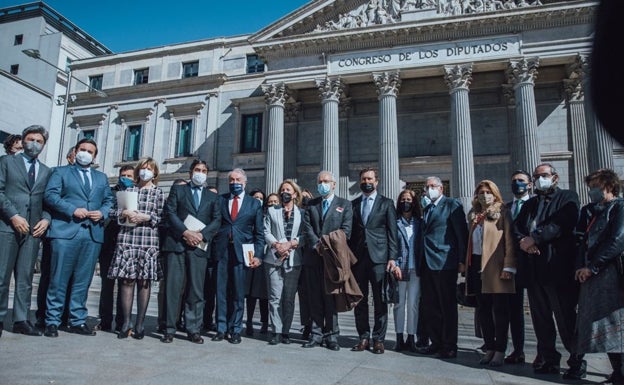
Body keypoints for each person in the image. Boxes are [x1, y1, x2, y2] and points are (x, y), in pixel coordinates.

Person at [514, 163, 585, 379]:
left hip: (557, 270)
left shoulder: (568, 198)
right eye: (536, 176)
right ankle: (549, 359)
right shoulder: (531, 204)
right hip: (534, 271)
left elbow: (561, 224)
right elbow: (517, 228)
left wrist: (534, 238)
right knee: (541, 319)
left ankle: (576, 360)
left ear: (554, 177)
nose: (540, 179)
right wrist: (524, 242)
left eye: (544, 175)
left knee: (565, 318)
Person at [43, 138, 114, 337]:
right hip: (65, 232)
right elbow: (50, 196)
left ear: (94, 156)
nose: (85, 153)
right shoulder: (60, 172)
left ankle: (77, 320)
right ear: (75, 151)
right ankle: (52, 320)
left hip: (92, 234)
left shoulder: (101, 177)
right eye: (82, 149)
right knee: (58, 279)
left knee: (83, 280)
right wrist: (72, 209)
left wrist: (103, 212)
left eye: (90, 151)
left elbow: (109, 200)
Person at [160, 160, 221, 344]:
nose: (200, 173)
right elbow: (170, 213)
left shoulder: (212, 197)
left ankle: (193, 328)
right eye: (197, 170)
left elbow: (217, 220)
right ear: (190, 172)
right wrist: (185, 232)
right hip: (177, 245)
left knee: (196, 290)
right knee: (173, 288)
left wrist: (201, 236)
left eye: (203, 170)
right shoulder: (179, 190)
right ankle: (169, 327)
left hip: (198, 248)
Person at [574, 168, 624, 384]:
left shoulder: (620, 206)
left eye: (597, 186)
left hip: (610, 273)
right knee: (603, 325)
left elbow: (618, 240)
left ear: (610, 186)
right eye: (590, 187)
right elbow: (582, 242)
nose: (592, 191)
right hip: (594, 275)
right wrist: (581, 266)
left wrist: (592, 267)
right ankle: (618, 372)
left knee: (615, 324)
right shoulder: (594, 211)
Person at [0, 125, 50, 338]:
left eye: (39, 141)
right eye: (30, 139)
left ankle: (21, 319)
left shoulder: (47, 171)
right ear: (23, 140)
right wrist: (13, 215)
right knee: (2, 276)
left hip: (33, 231)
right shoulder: (7, 163)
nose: (34, 144)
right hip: (8, 226)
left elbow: (49, 200)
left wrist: (46, 219)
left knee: (25, 278)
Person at [108, 158, 164, 340]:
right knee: (126, 281)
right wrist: (122, 213)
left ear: (154, 173)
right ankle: (126, 322)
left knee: (144, 282)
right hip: (127, 238)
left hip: (148, 240)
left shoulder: (158, 193)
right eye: (143, 168)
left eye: (149, 169)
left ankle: (140, 323)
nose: (145, 171)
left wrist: (146, 217)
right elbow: (112, 211)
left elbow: (162, 217)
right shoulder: (128, 190)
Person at [462, 180, 516, 367]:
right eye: (481, 192)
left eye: (488, 192)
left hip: (496, 266)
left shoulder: (503, 213)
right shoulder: (475, 216)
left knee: (500, 311)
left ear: (495, 194)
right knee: (483, 310)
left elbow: (510, 240)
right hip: (476, 265)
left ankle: (500, 350)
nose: (485, 195)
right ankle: (490, 348)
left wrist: (509, 266)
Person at [301, 170, 353, 351]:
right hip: (313, 258)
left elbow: (346, 231)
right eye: (320, 181)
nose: (322, 184)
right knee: (314, 297)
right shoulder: (311, 205)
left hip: (333, 260)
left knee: (331, 298)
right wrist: (317, 245)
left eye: (326, 181)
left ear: (334, 184)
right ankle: (316, 334)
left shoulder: (344, 205)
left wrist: (326, 245)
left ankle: (332, 335)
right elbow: (307, 229)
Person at [349, 168, 398, 354]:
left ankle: (379, 339)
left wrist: (392, 257)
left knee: (380, 300)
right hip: (359, 259)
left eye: (369, 179)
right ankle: (363, 337)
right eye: (363, 179)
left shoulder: (386, 203)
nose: (366, 182)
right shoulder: (353, 205)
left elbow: (392, 233)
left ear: (376, 181)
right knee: (359, 300)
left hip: (379, 258)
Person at [212, 168, 264, 344]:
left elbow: (259, 233)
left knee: (238, 293)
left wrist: (258, 255)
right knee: (221, 291)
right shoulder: (221, 200)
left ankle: (235, 329)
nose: (234, 183)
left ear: (245, 182)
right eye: (231, 180)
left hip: (243, 253)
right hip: (222, 251)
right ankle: (220, 328)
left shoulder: (254, 204)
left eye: (238, 180)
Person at [419, 176, 467, 359]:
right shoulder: (427, 208)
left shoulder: (451, 205)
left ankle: (449, 344)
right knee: (430, 305)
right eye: (427, 186)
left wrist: (462, 260)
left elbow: (461, 234)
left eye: (433, 186)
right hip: (427, 263)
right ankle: (436, 341)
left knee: (447, 306)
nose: (429, 189)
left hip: (445, 262)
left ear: (441, 188)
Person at [264, 180, 305, 345]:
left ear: (295, 194)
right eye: (282, 190)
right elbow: (265, 230)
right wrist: (276, 245)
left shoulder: (303, 213)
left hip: (294, 259)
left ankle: (286, 331)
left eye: (288, 190)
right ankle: (276, 331)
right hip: (273, 259)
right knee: (274, 297)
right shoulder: (272, 211)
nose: (284, 193)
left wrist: (291, 243)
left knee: (288, 298)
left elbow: (305, 235)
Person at [94, 165, 134, 332]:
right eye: (123, 175)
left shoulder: (137, 193)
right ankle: (105, 320)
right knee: (107, 284)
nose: (125, 178)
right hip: (109, 244)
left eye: (129, 175)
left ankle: (122, 321)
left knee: (125, 284)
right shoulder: (110, 193)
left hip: (128, 245)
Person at [503, 170, 533, 364]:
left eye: (521, 181)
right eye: (514, 181)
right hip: (511, 265)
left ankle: (546, 353)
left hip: (533, 263)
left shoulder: (536, 205)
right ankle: (518, 349)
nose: (517, 184)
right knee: (514, 311)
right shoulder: (506, 208)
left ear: (530, 184)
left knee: (542, 310)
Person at [391, 189, 423, 352]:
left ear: (414, 202)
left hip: (415, 269)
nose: (406, 202)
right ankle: (398, 338)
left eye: (409, 199)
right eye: (403, 199)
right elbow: (392, 245)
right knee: (399, 304)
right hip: (400, 268)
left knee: (413, 305)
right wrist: (394, 264)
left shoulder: (420, 222)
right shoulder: (394, 222)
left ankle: (411, 338)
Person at [245, 188, 269, 336]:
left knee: (264, 294)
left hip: (265, 256)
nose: (258, 200)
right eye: (255, 197)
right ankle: (248, 321)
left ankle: (265, 322)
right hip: (249, 254)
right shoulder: (247, 213)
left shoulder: (267, 215)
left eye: (261, 198)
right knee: (250, 293)